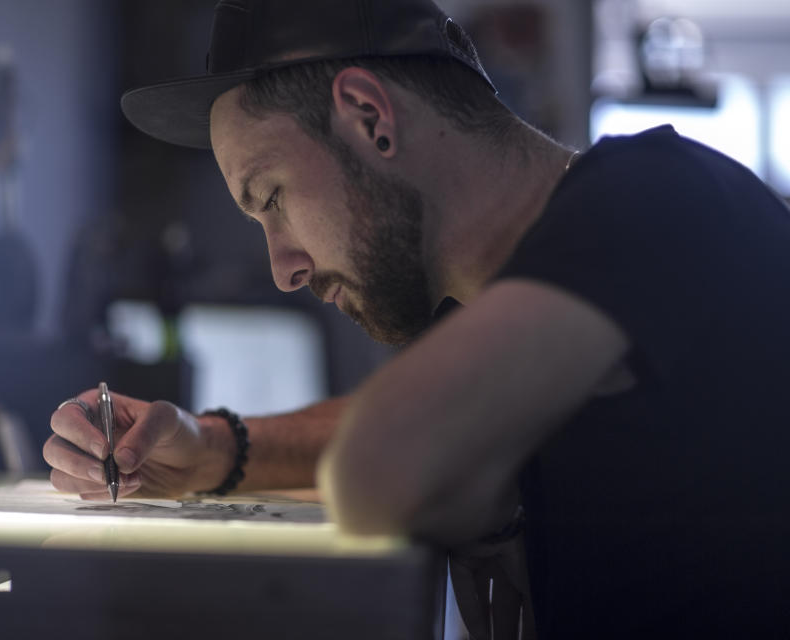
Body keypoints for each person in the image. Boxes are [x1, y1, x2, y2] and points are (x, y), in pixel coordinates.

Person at [44, 0, 790, 636]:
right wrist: (207, 445)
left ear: (369, 116)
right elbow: (425, 420)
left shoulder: (654, 201)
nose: (284, 267)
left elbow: (381, 461)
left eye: (270, 197)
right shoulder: (540, 303)